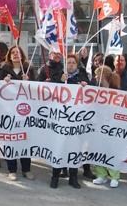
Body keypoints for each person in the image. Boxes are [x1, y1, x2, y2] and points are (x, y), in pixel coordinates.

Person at [50, 54, 90, 189]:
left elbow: (91, 90)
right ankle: (55, 176)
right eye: (69, 62)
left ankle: (73, 177)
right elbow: (50, 93)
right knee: (59, 147)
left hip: (77, 120)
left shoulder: (82, 76)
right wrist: (60, 82)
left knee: (75, 149)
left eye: (73, 62)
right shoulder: (59, 75)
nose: (71, 64)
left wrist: (86, 85)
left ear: (77, 64)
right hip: (61, 119)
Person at [0, 45, 36, 181]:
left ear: (22, 55)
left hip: (25, 112)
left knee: (25, 140)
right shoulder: (4, 69)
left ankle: (26, 169)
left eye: (18, 52)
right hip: (9, 111)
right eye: (13, 52)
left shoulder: (29, 68)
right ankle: (12, 169)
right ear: (9, 55)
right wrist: (4, 82)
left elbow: (37, 87)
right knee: (12, 140)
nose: (15, 54)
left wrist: (29, 81)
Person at [92, 65, 122, 188]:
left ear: (103, 75)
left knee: (111, 150)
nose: (95, 77)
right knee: (98, 149)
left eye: (97, 74)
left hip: (111, 125)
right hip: (97, 124)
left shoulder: (116, 90)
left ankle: (114, 176)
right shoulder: (94, 89)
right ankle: (101, 175)